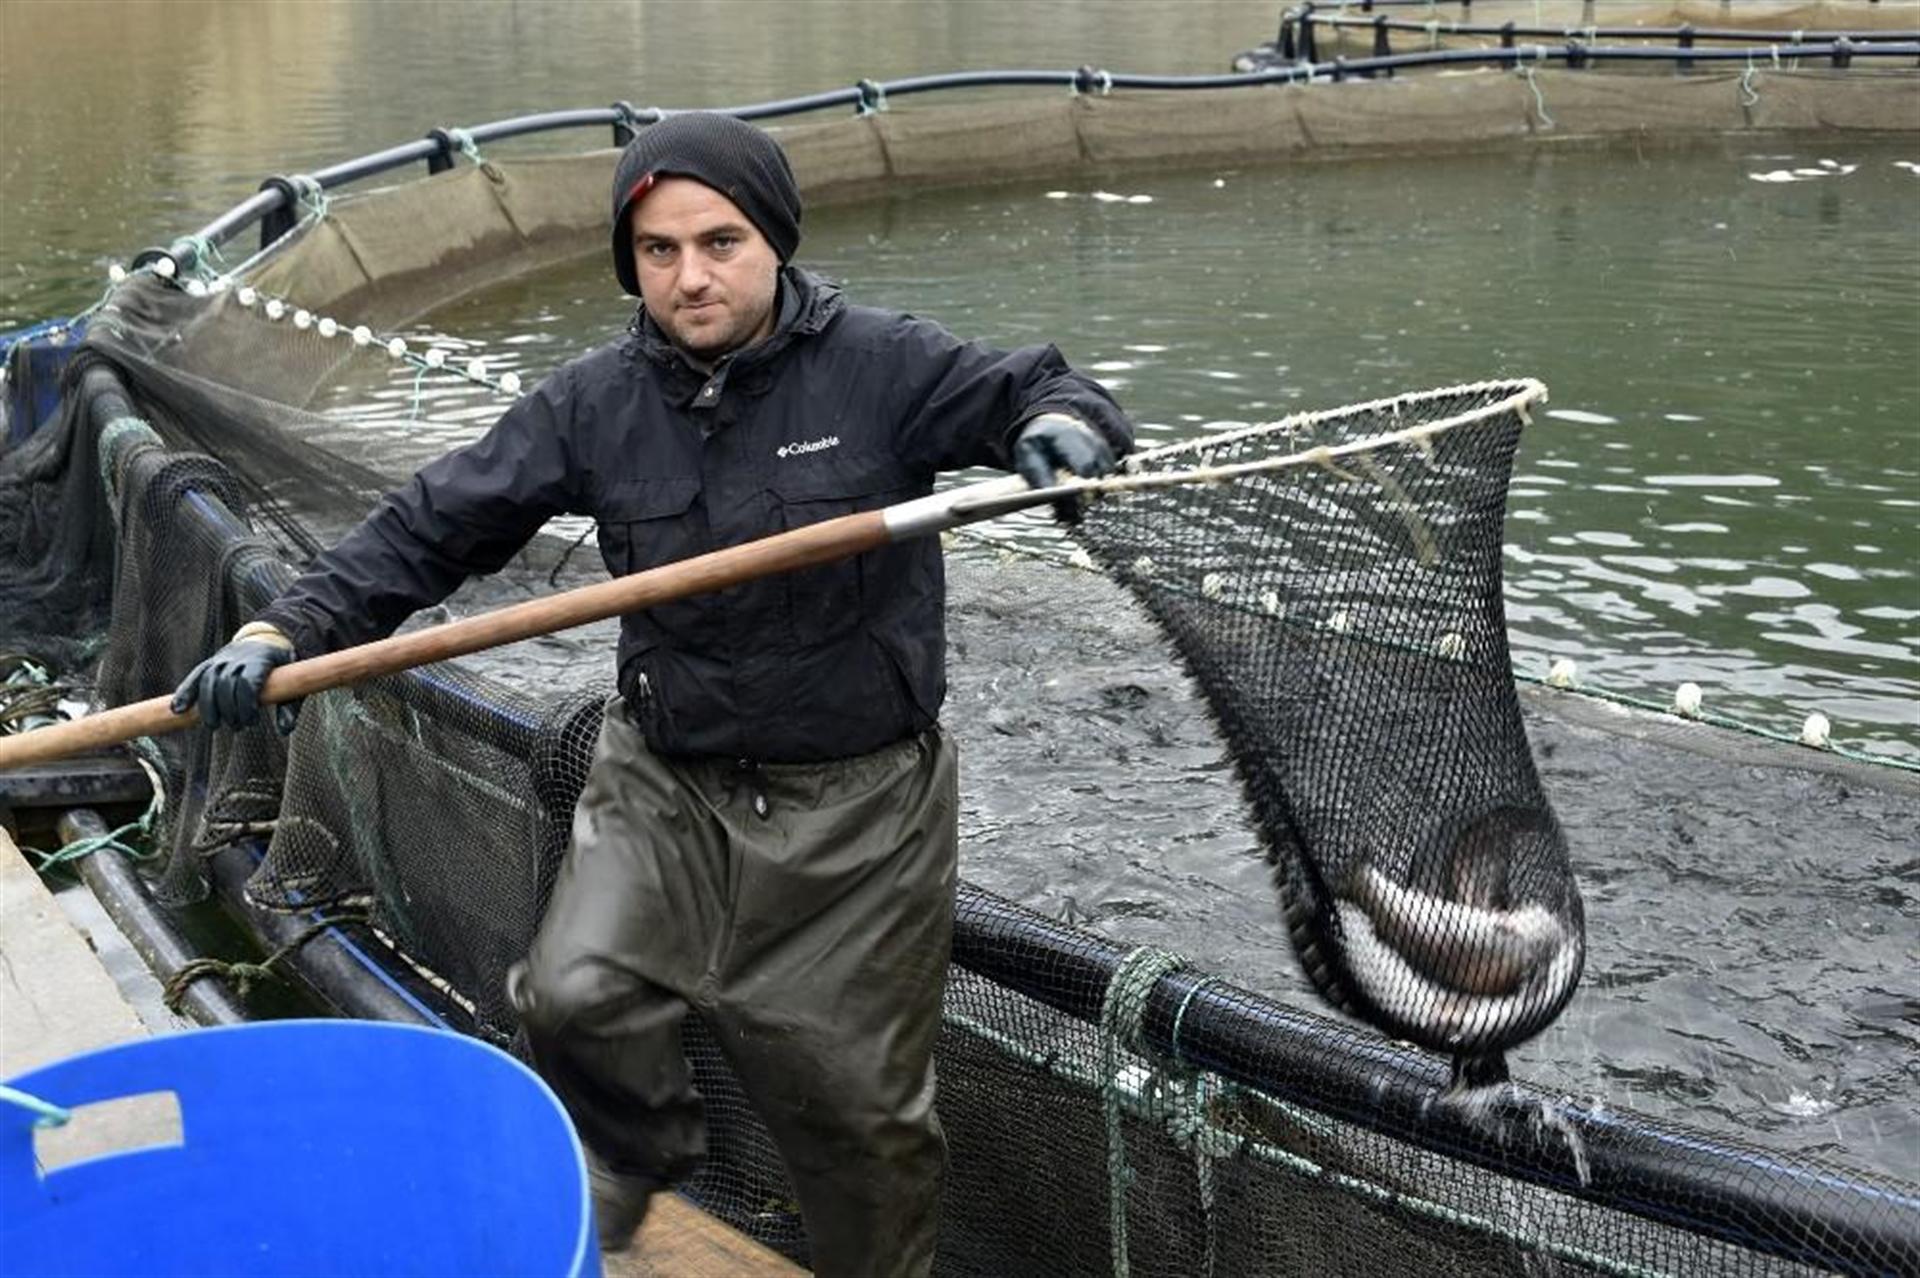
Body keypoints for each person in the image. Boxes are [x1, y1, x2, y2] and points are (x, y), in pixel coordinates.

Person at [171, 112, 1132, 1274]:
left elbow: (1041, 388)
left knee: (852, 1110)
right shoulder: (594, 403)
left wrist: (1066, 429)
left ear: (774, 241)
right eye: (659, 251)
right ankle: (637, 1148)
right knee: (573, 998)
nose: (692, 277)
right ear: (631, 263)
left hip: (859, 807)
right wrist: (281, 628)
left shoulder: (884, 366)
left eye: (721, 243)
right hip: (663, 779)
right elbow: (431, 526)